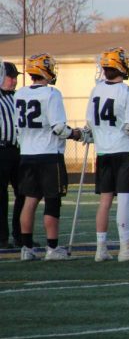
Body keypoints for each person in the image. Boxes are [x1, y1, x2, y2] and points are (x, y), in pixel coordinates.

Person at [14, 53, 85, 260]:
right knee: (52, 201)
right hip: (48, 155)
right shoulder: (51, 94)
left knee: (29, 200)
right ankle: (52, 248)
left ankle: (26, 248)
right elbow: (59, 129)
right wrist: (76, 134)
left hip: (27, 153)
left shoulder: (20, 94)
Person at [84, 47, 129, 262]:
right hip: (123, 151)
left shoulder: (96, 90)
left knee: (104, 201)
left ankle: (100, 248)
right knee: (123, 200)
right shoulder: (127, 92)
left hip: (102, 151)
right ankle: (124, 248)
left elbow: (91, 123)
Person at [0, 61, 25, 249]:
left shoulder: (17, 97)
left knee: (23, 193)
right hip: (2, 150)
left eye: (16, 77)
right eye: (11, 77)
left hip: (19, 150)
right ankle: (2, 237)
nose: (14, 81)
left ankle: (21, 235)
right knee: (1, 196)